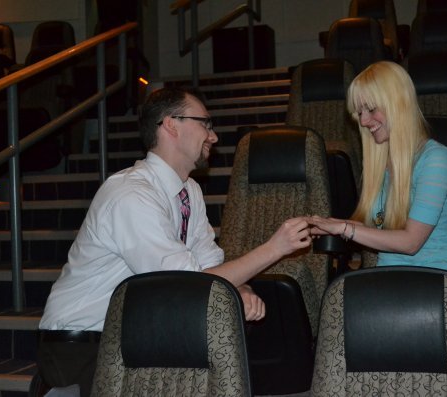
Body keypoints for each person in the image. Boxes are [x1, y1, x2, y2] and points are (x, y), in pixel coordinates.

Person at [37, 86, 311, 396]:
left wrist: (242, 288)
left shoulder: (188, 191)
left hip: (133, 337)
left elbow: (211, 266)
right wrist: (274, 249)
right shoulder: (130, 194)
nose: (213, 136)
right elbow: (186, 285)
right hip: (81, 349)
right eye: (205, 123)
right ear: (171, 124)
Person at [308, 61, 447, 306]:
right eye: (359, 113)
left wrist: (345, 228)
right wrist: (331, 225)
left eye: (370, 109)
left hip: (443, 283)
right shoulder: (379, 164)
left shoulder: (435, 157)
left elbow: (411, 243)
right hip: (393, 282)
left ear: (397, 104)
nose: (364, 121)